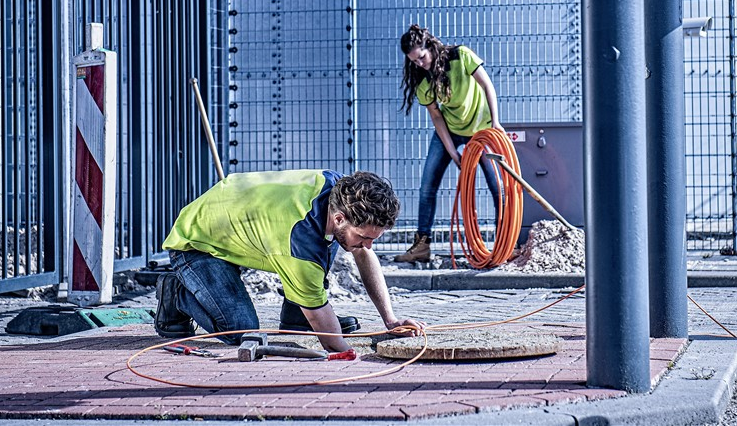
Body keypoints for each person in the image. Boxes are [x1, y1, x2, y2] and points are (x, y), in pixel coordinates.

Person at [154, 169, 424, 352]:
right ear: (340, 218)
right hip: (196, 243)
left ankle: (297, 315)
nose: (368, 245)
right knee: (242, 331)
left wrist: (391, 321)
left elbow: (363, 252)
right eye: (365, 236)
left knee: (333, 241)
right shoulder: (301, 239)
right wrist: (352, 355)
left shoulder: (341, 192)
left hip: (234, 222)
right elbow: (331, 342)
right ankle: (175, 293)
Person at [395, 24, 505, 263]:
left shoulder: (461, 56)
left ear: (430, 47)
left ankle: (505, 244)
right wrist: (452, 152)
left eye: (422, 57)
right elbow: (436, 117)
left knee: (497, 187)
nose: (420, 64)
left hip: (481, 129)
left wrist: (495, 123)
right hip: (451, 130)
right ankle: (422, 246)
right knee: (427, 187)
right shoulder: (423, 82)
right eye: (413, 61)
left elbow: (487, 86)